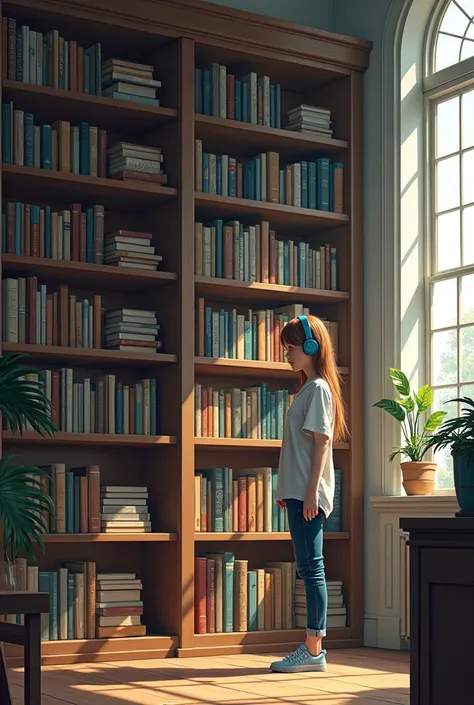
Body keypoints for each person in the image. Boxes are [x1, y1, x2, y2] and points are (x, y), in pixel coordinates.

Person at [270, 314, 347, 674]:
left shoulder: (317, 389)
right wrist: (288, 487)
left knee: (311, 569)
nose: (287, 355)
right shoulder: (308, 388)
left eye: (291, 348)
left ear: (311, 347)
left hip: (308, 494)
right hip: (300, 492)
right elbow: (300, 449)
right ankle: (313, 648)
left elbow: (322, 444)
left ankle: (314, 649)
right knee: (307, 566)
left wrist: (311, 491)